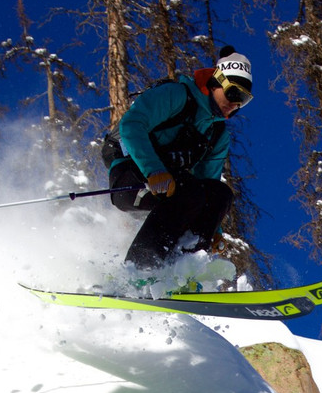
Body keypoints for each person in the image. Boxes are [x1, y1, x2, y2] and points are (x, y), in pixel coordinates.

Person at [103, 46, 253, 271]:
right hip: (129, 177)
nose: (235, 104)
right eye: (233, 93)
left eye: (243, 100)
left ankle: (183, 270)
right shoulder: (177, 95)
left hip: (173, 188)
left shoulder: (217, 133)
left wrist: (214, 231)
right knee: (189, 191)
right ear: (216, 82)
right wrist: (153, 171)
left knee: (220, 194)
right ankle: (140, 269)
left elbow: (209, 185)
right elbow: (131, 125)